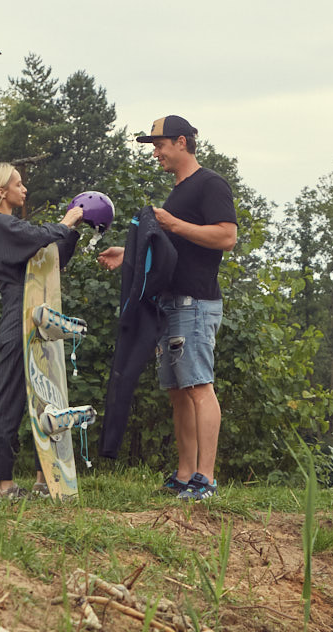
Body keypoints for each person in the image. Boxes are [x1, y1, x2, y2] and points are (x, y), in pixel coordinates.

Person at [98, 115, 237, 501]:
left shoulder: (210, 184)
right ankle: (184, 474)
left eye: (158, 145)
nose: (155, 152)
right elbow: (172, 251)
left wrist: (173, 224)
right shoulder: (178, 192)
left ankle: (205, 479)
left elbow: (227, 236)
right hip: (172, 304)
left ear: (181, 142)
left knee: (198, 388)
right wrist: (127, 254)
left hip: (196, 303)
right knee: (178, 392)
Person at [0, 162, 84, 499]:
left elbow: (52, 257)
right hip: (16, 317)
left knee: (47, 399)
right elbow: (40, 236)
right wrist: (64, 222)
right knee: (8, 401)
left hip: (37, 317)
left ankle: (45, 479)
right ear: (1, 191)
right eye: (18, 184)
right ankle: (2, 484)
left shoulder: (15, 227)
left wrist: (75, 230)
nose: (25, 189)